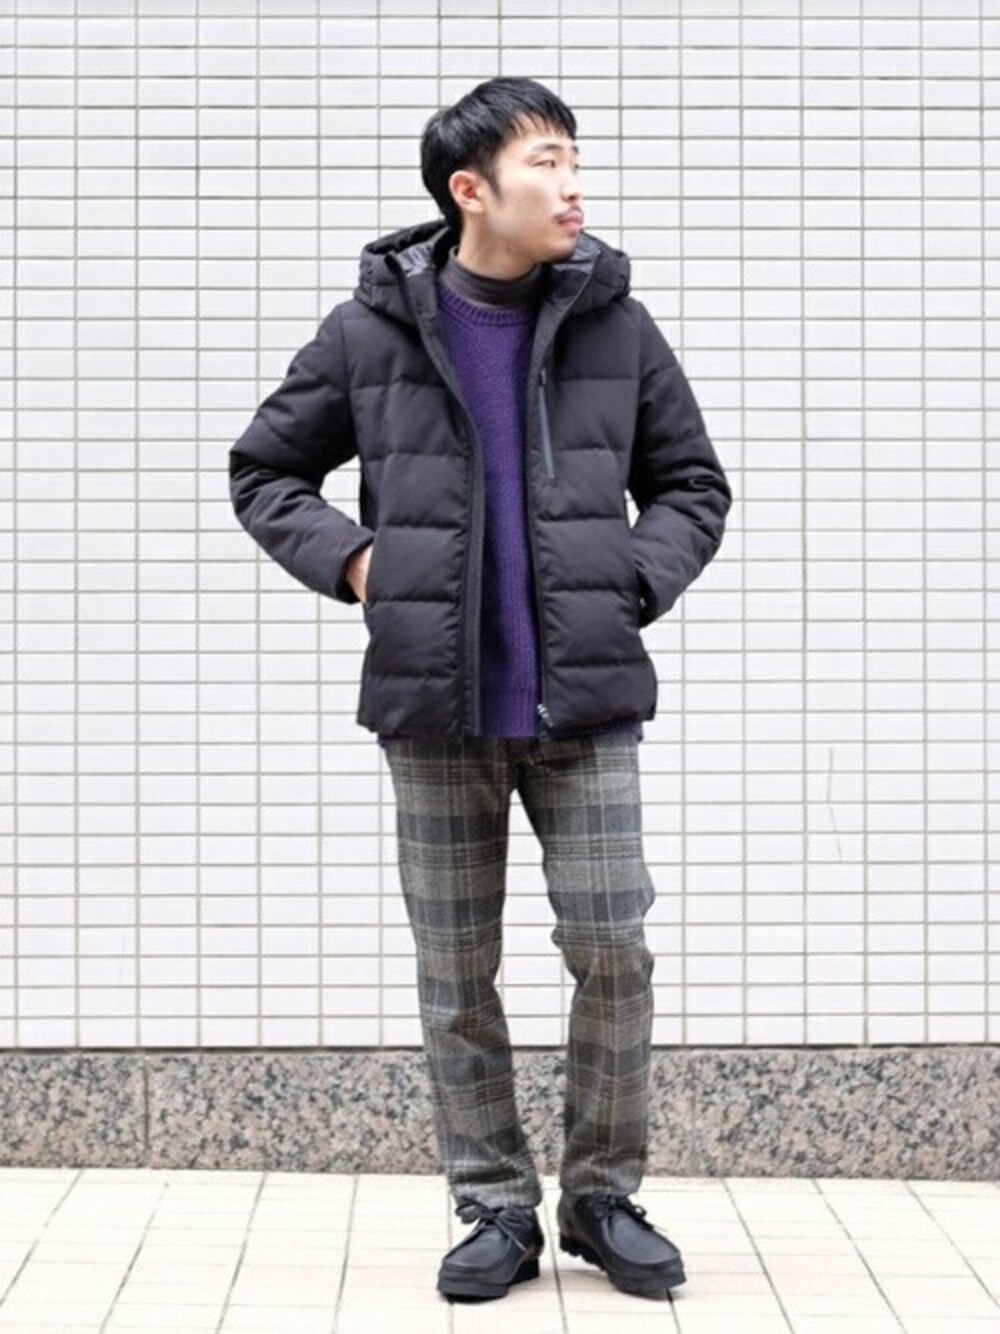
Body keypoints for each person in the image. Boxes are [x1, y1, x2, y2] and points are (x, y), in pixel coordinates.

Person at [229, 75, 732, 1304]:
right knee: (456, 969)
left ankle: (602, 1195)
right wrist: (357, 562)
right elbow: (264, 470)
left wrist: (628, 581)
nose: (573, 185)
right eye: (547, 161)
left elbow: (691, 484)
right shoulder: (370, 331)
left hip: (585, 702)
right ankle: (495, 1202)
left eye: (575, 159)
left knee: (612, 948)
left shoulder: (616, 323)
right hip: (433, 709)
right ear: (471, 189)